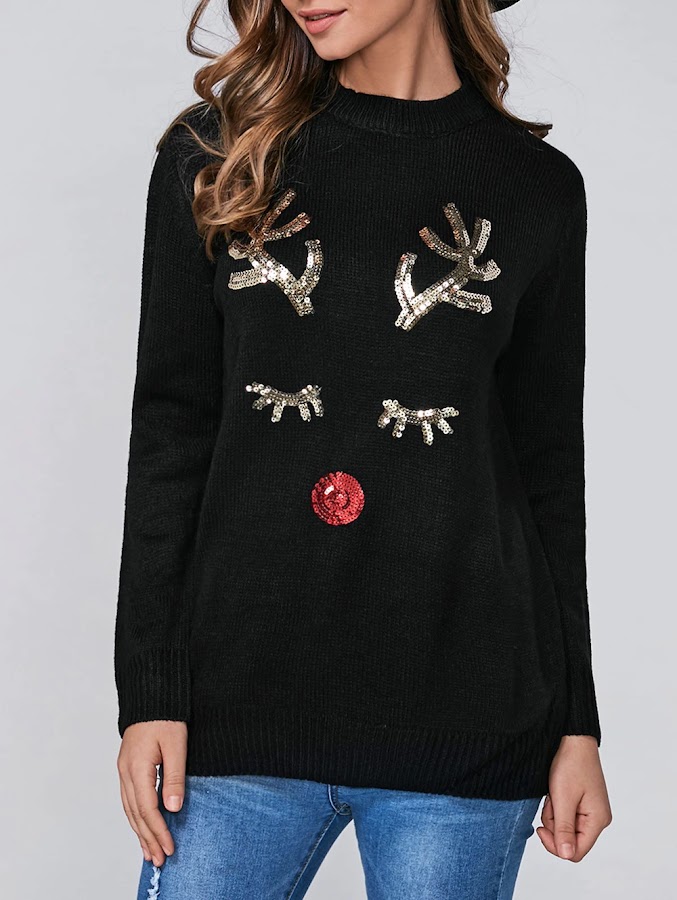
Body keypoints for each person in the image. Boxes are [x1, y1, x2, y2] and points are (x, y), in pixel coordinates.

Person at [114, 0, 613, 897]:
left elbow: (545, 469)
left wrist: (577, 721)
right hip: (235, 715)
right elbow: (170, 432)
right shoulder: (218, 154)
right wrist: (149, 694)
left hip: (468, 719)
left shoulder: (535, 186)